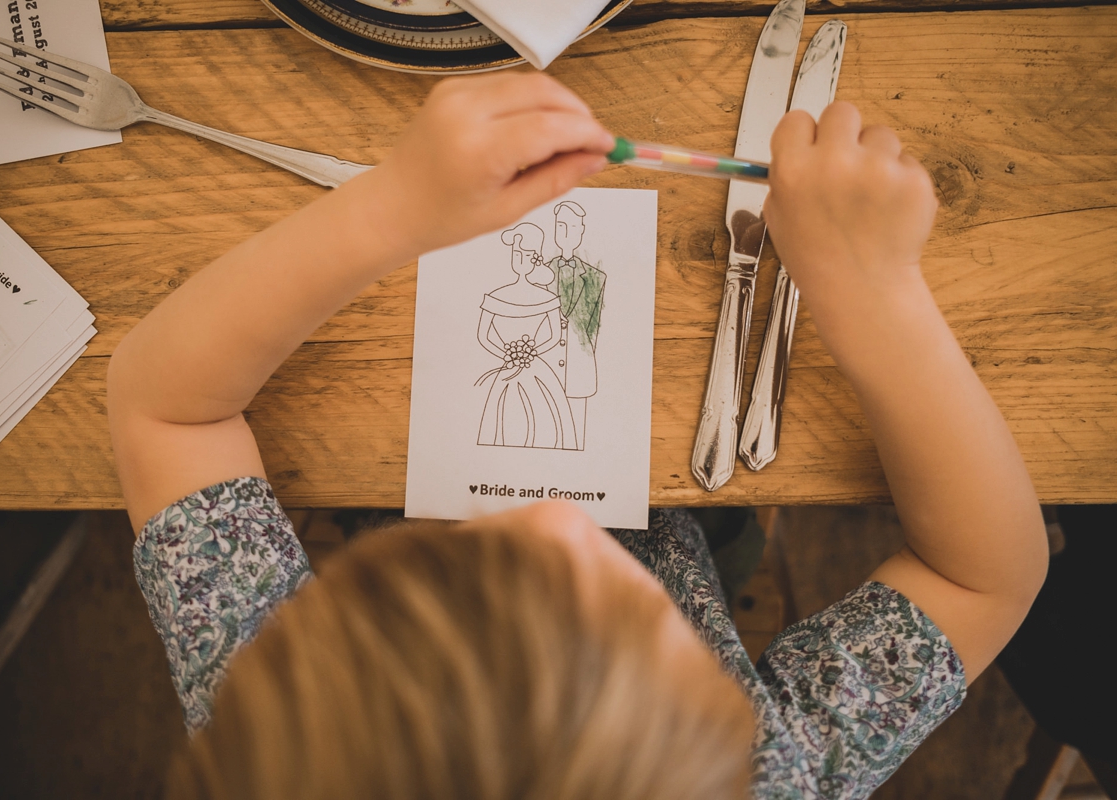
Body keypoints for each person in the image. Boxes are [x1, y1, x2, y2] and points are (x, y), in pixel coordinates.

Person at [107, 73, 1047, 799]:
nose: (558, 519)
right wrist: (876, 295)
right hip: (693, 521)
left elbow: (163, 408)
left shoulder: (302, 738)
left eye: (477, 582)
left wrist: (390, 208)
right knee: (730, 539)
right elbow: (986, 575)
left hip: (382, 469)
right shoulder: (764, 780)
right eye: (634, 616)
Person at [475, 222, 576, 449]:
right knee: (502, 418)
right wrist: (508, 355)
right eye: (516, 253)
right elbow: (483, 335)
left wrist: (530, 353)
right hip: (508, 368)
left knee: (546, 418)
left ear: (536, 258)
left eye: (526, 254)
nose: (520, 258)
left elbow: (553, 335)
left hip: (537, 370)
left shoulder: (547, 298)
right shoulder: (495, 296)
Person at [540, 200, 605, 450]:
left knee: (576, 434)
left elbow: (593, 326)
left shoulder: (595, 277)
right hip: (544, 364)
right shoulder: (540, 274)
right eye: (561, 226)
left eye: (572, 227)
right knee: (546, 428)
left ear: (580, 231)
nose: (566, 232)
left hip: (579, 366)